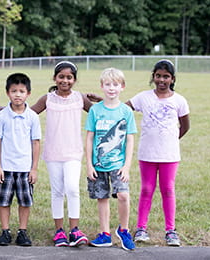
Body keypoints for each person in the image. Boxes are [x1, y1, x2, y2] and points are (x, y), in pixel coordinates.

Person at [126, 59, 190, 247]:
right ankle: (141, 228)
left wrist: (170, 139)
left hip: (169, 155)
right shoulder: (143, 97)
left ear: (172, 79)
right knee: (146, 189)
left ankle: (170, 231)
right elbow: (123, 109)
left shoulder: (179, 100)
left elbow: (185, 125)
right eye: (158, 76)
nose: (162, 80)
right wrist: (103, 101)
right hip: (147, 153)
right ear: (153, 77)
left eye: (166, 76)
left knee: (168, 189)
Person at [30, 61, 92, 247]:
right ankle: (59, 231)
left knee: (72, 189)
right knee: (57, 191)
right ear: (54, 78)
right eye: (61, 77)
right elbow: (29, 113)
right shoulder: (47, 99)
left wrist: (101, 99)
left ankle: (74, 230)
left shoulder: (80, 98)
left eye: (69, 77)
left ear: (74, 79)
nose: (65, 80)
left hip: (73, 152)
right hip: (53, 153)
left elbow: (99, 113)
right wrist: (6, 110)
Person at [85, 68, 137, 251]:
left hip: (118, 164)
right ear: (102, 86)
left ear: (122, 87)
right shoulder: (95, 110)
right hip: (98, 164)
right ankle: (104, 234)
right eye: (107, 84)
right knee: (102, 197)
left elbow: (130, 139)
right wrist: (89, 164)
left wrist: (127, 166)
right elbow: (90, 138)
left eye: (115, 84)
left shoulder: (126, 111)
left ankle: (124, 230)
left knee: (123, 195)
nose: (111, 88)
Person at [0, 73, 41, 247]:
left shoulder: (32, 117)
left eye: (21, 91)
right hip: (6, 168)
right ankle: (5, 231)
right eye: (14, 91)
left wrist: (34, 168)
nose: (17, 95)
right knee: (4, 201)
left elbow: (36, 143)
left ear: (28, 93)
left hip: (25, 168)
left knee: (24, 201)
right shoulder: (2, 115)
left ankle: (22, 231)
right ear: (7, 93)